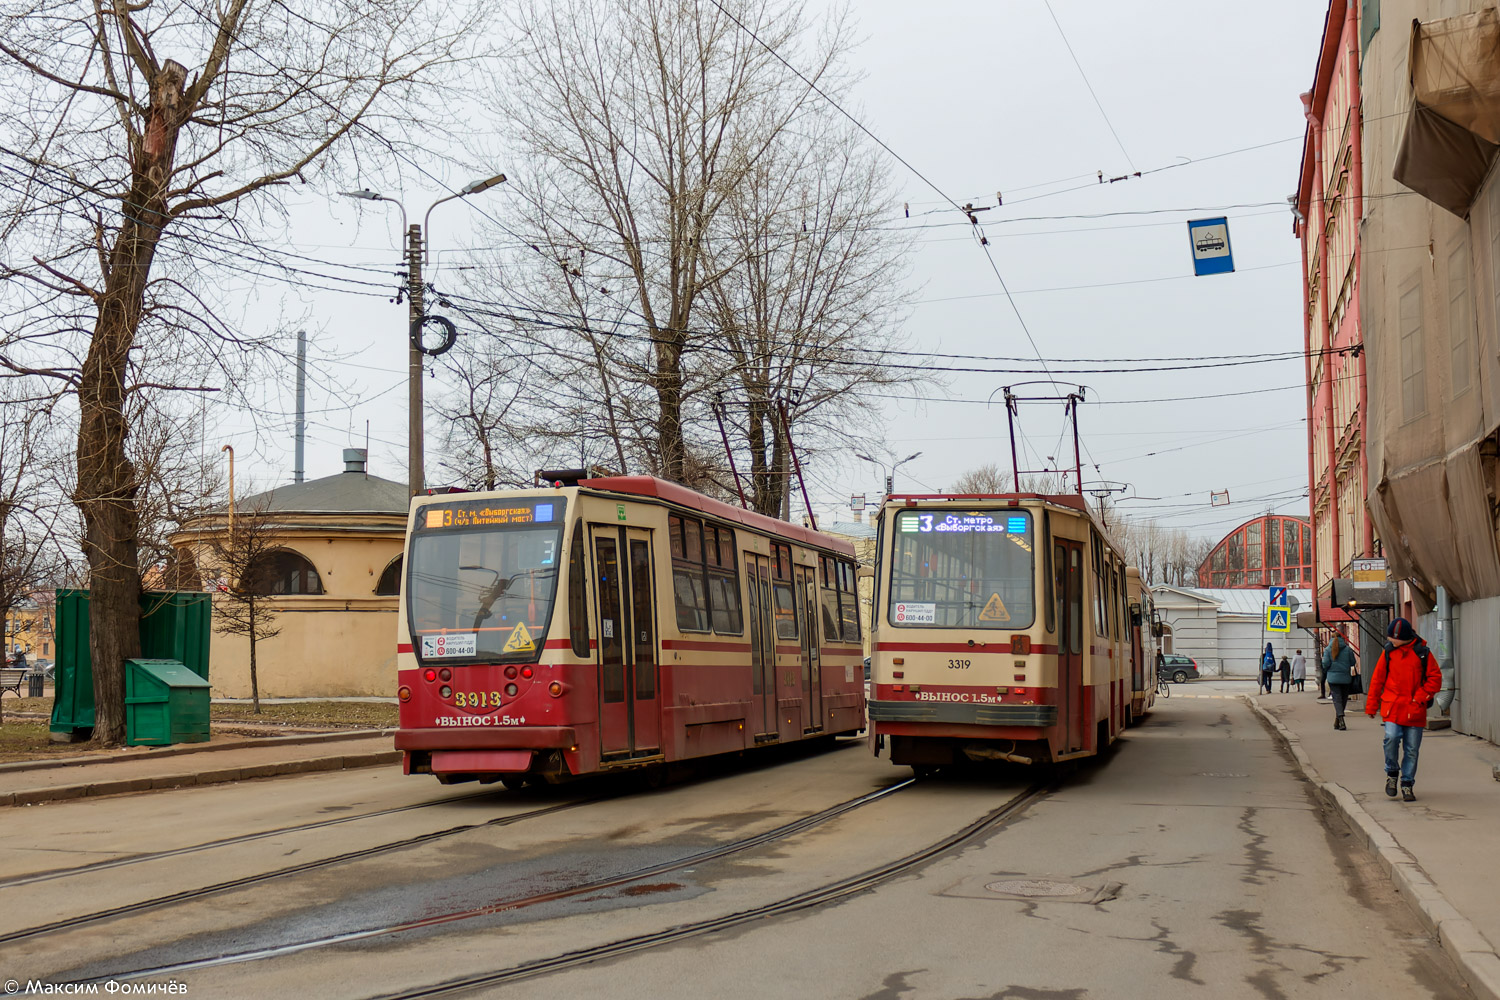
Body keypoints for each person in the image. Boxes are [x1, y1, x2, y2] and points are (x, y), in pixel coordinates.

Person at [1365, 617, 1443, 801]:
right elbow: (1377, 680)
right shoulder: (1388, 652)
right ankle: (1392, 773)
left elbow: (1435, 678)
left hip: (1415, 708)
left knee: (1412, 750)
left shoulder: (1422, 653)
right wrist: (1371, 706)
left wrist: (1420, 697)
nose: (1390, 640)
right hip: (1392, 706)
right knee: (1391, 738)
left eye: (1393, 637)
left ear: (1404, 638)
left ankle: (1407, 784)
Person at [1322, 627, 1358, 729]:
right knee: (1343, 699)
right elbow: (1353, 662)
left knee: (1337, 699)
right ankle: (1338, 720)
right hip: (1346, 678)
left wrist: (1327, 668)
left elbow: (1325, 663)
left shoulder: (1328, 650)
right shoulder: (1347, 649)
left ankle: (1340, 719)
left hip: (1333, 678)